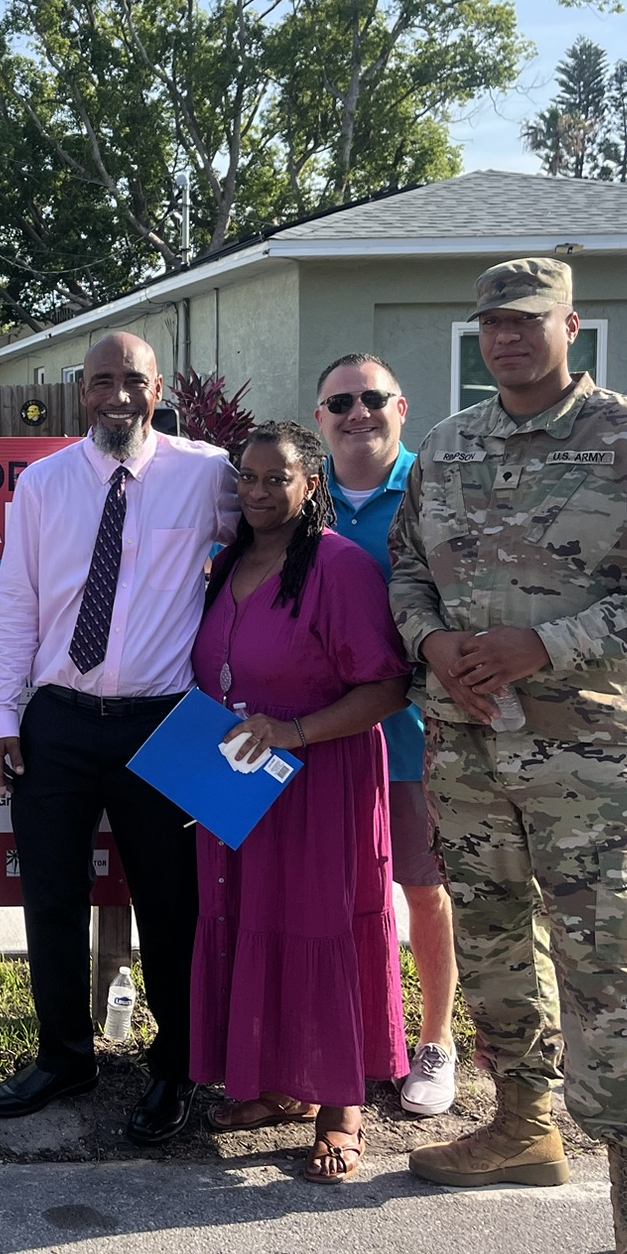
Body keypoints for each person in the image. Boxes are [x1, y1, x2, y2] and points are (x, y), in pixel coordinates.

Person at [388, 259, 627, 1254]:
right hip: (468, 749)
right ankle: (522, 1126)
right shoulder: (444, 450)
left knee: (605, 969)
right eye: (490, 324)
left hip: (586, 755)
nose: (505, 338)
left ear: (570, 326)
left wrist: (550, 643)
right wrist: (430, 640)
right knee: (490, 945)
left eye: (526, 322)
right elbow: (404, 570)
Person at [0, 330, 238, 1145]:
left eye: (133, 381)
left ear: (158, 388)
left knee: (173, 904)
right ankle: (65, 1056)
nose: (116, 396)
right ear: (79, 392)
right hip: (57, 719)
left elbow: (271, 543)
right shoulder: (42, 484)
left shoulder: (209, 475)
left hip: (166, 721)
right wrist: (1, 714)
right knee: (49, 894)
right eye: (101, 382)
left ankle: (176, 1066)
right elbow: (16, 603)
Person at [191, 422, 411, 1184]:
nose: (256, 492)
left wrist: (294, 731)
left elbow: (387, 687)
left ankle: (341, 1106)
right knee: (259, 922)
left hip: (321, 781)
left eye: (274, 478)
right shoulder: (227, 565)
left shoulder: (338, 567)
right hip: (241, 780)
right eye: (245, 478)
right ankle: (280, 1084)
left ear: (310, 484)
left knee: (321, 927)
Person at [313, 353, 461, 1117]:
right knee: (327, 896)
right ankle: (338, 1036)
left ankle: (434, 1042)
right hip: (316, 739)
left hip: (414, 734)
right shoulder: (303, 498)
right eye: (340, 402)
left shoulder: (437, 493)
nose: (356, 412)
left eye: (372, 398)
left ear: (402, 408)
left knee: (422, 888)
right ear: (319, 420)